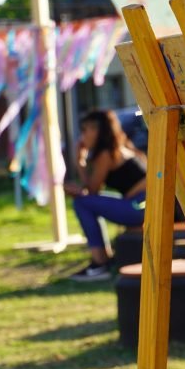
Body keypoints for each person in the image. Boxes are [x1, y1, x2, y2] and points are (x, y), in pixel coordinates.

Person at [63, 109, 148, 282]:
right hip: (142, 204)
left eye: (84, 130)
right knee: (86, 202)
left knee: (82, 203)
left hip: (139, 208)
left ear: (96, 130)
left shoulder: (105, 154)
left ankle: (99, 262)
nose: (82, 136)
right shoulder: (122, 146)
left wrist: (80, 163)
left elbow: (92, 191)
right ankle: (103, 259)